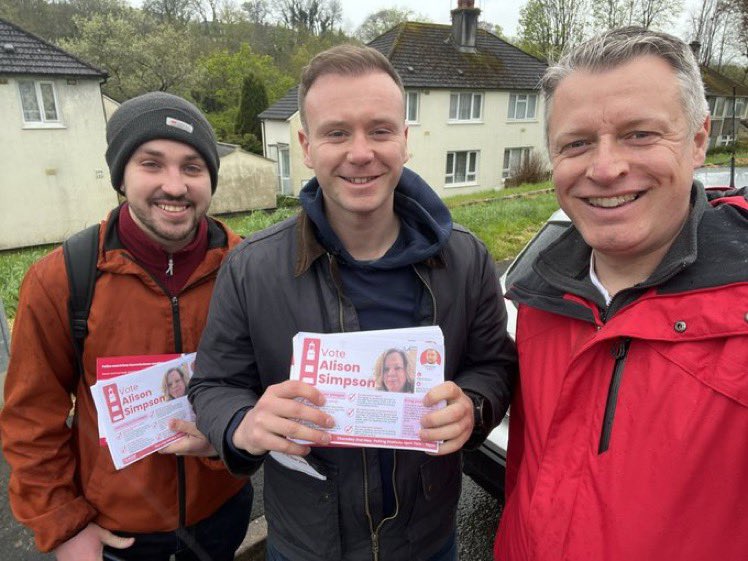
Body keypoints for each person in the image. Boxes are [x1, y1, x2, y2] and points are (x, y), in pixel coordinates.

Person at [189, 44, 518, 561]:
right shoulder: (252, 267)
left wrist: (472, 407)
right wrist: (243, 425)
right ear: (306, 145)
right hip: (306, 545)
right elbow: (213, 384)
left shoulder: (466, 260)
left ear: (405, 140)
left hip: (426, 542)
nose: (360, 152)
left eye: (380, 130)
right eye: (337, 132)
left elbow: (494, 365)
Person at [494, 27, 748, 561]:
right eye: (576, 143)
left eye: (639, 134)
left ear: (699, 139)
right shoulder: (539, 299)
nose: (605, 169)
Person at [0, 92, 252, 561]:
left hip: (224, 511)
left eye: (192, 167)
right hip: (117, 532)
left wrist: (225, 436)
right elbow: (31, 419)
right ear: (121, 175)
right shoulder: (64, 277)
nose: (174, 186)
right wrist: (64, 526)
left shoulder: (246, 267)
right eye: (151, 164)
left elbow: (269, 379)